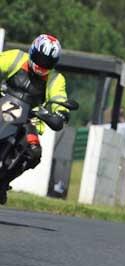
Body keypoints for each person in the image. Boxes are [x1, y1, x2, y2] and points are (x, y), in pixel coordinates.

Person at [0, 34, 70, 204]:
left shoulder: (56, 79)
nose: (41, 65)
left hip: (29, 119)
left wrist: (60, 112)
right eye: (39, 58)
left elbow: (59, 99)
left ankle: (2, 183)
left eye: (47, 62)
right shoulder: (16, 57)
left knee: (33, 152)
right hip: (1, 103)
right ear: (32, 51)